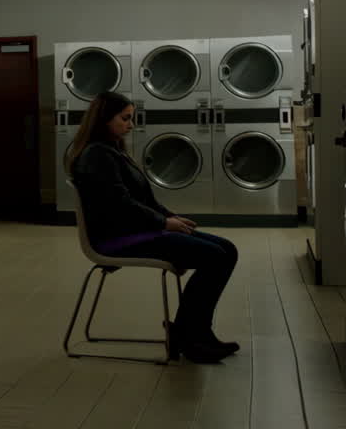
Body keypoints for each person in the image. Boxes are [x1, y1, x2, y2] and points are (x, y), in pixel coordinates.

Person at [66, 90, 239, 363]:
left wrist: (171, 217)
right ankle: (190, 336)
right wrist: (163, 223)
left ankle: (192, 332)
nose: (131, 125)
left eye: (131, 118)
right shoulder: (96, 156)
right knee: (214, 256)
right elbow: (120, 206)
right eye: (125, 118)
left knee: (227, 249)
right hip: (118, 238)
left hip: (136, 229)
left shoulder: (111, 151)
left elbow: (143, 199)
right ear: (104, 120)